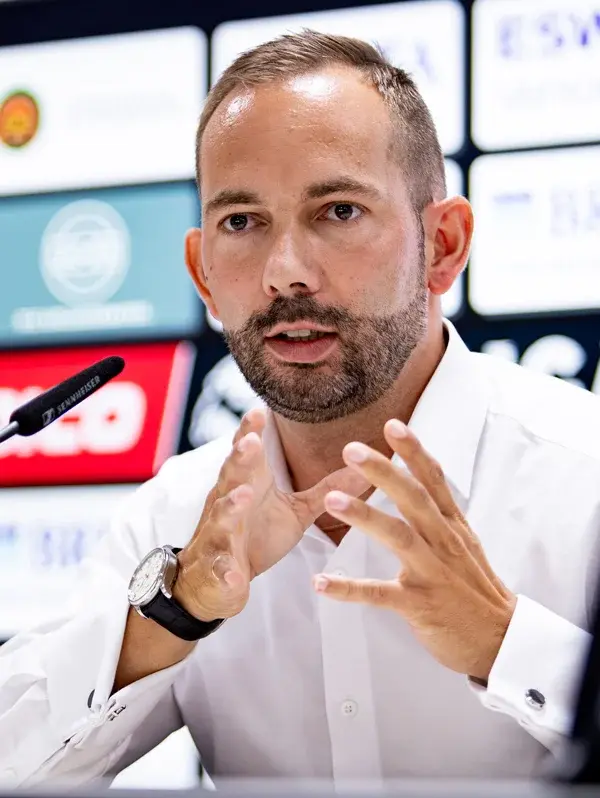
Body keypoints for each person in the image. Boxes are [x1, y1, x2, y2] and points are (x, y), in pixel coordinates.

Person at [1, 30, 600, 787]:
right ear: (203, 274)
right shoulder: (176, 518)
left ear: (443, 245)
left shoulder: (584, 478)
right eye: (242, 223)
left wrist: (507, 643)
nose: (285, 273)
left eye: (339, 211)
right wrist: (175, 614)